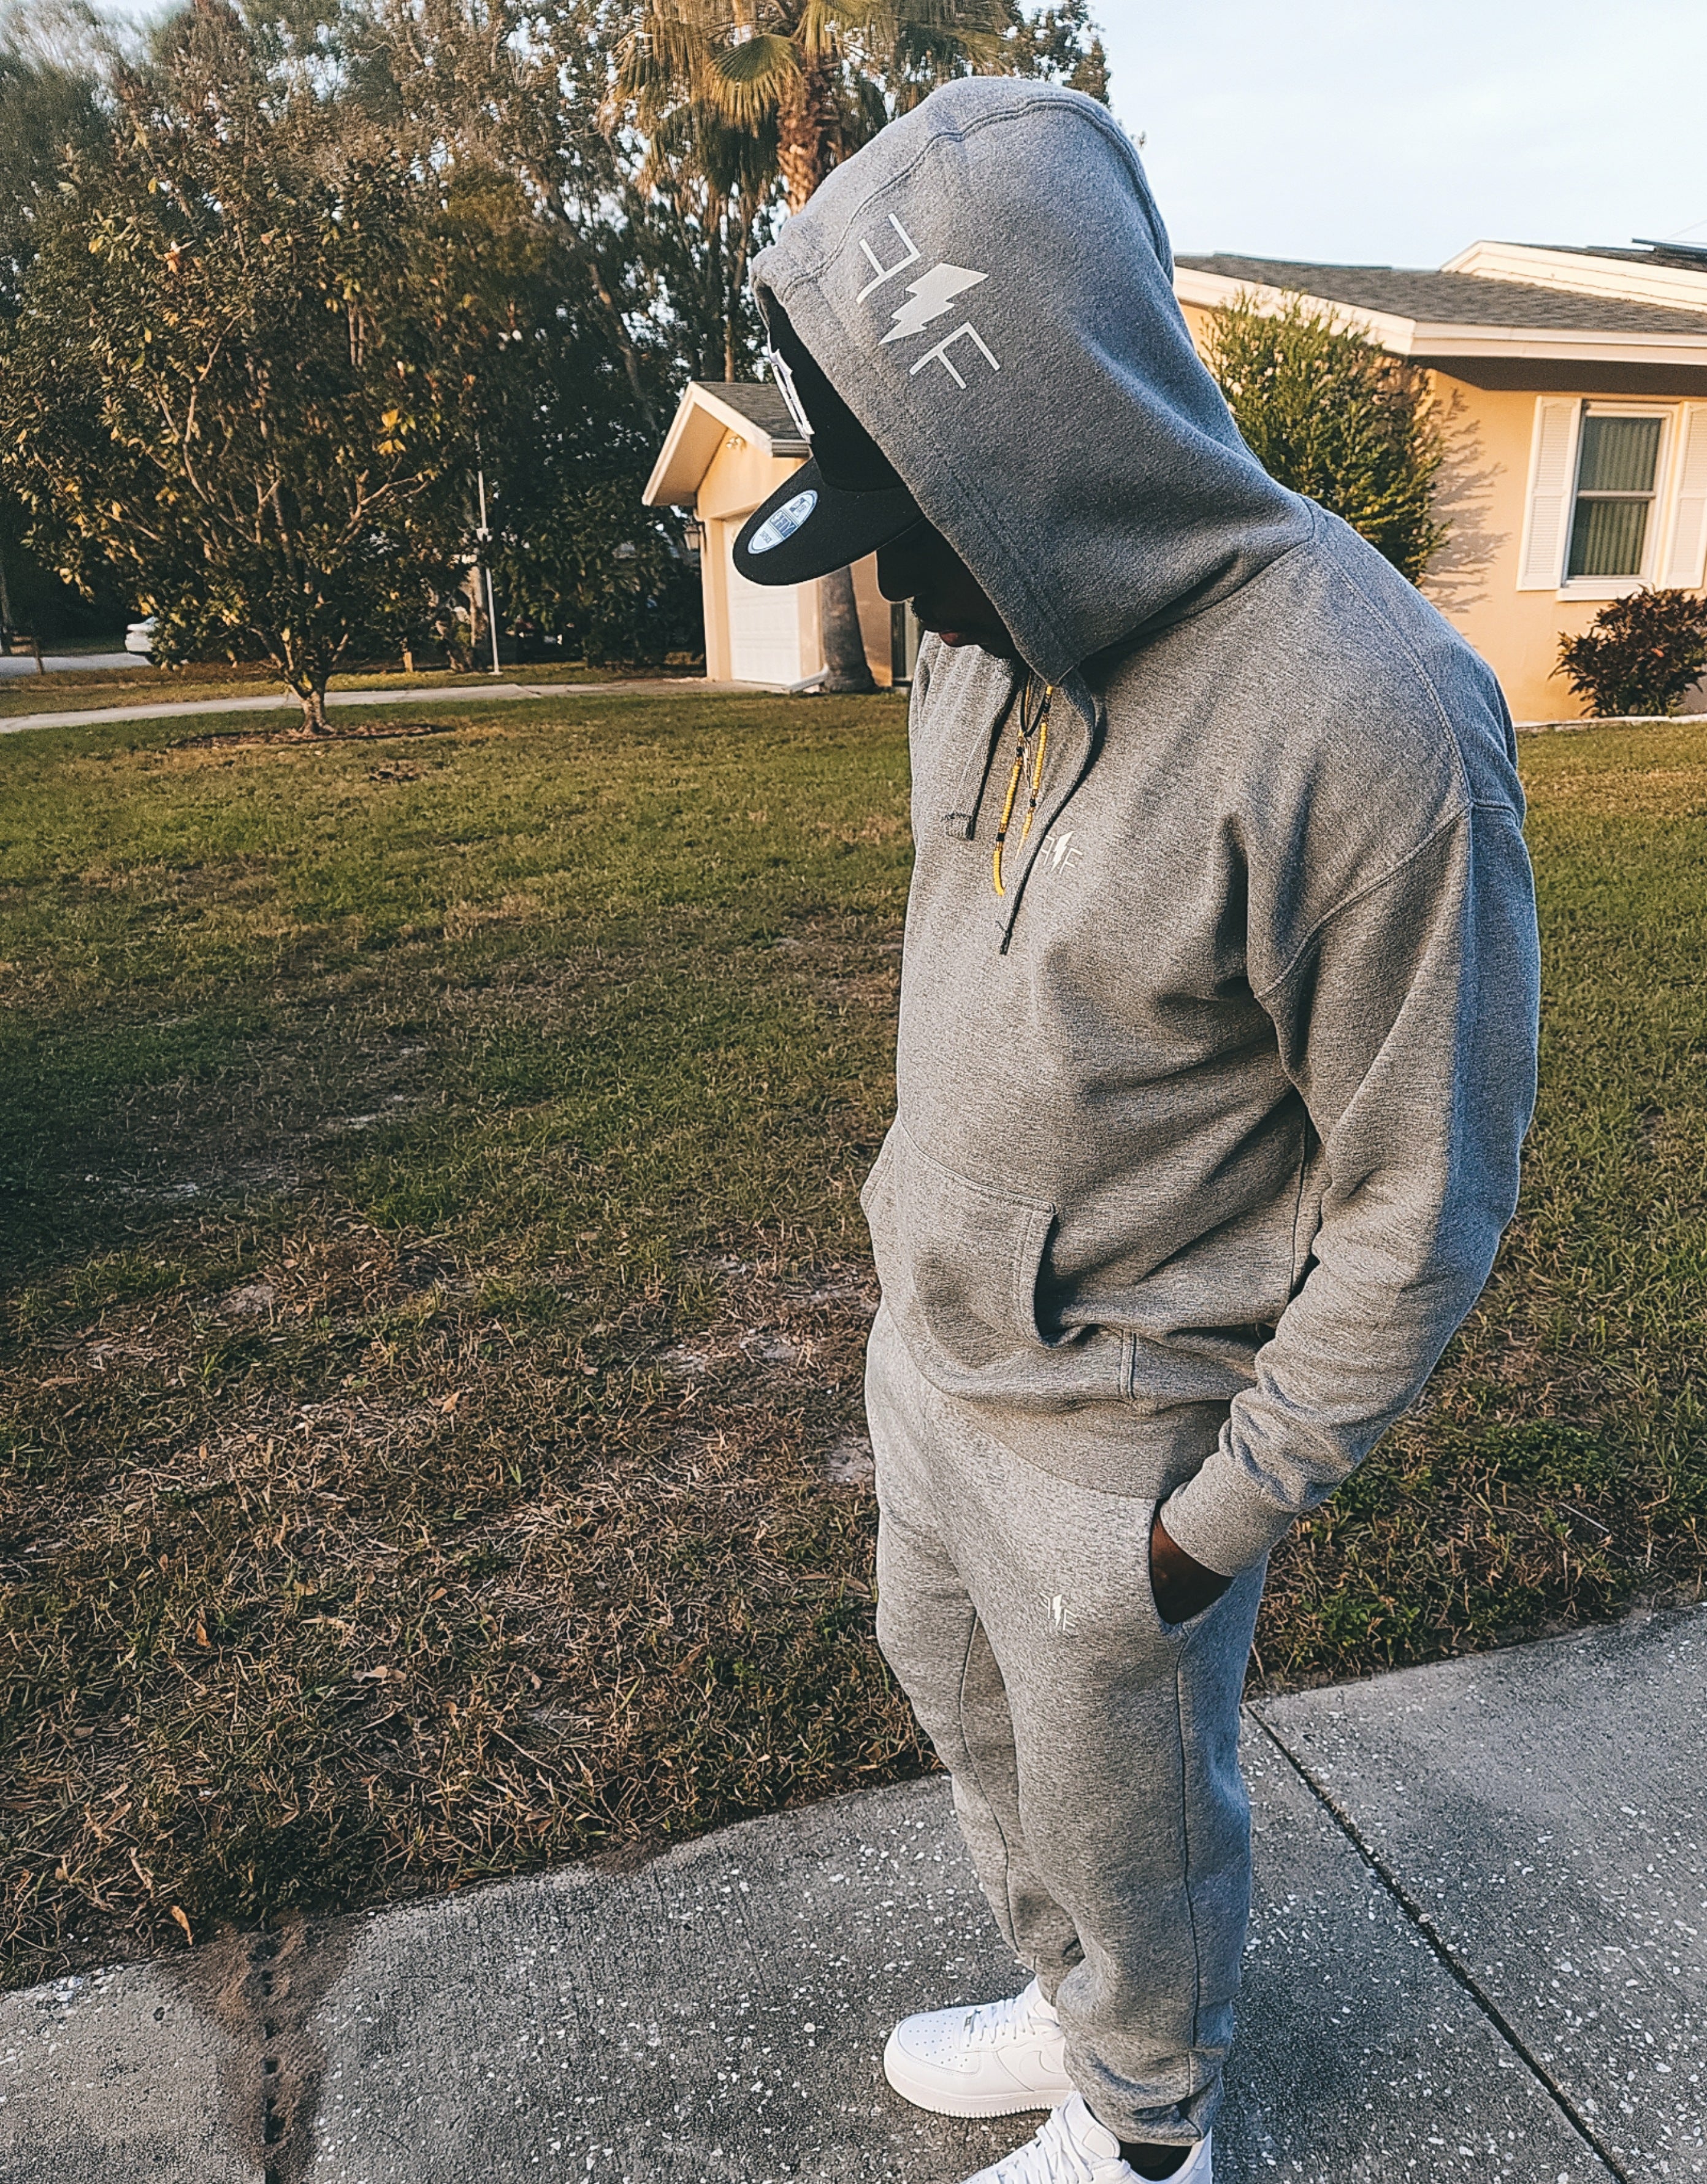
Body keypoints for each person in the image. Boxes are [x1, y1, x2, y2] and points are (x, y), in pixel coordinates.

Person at [733, 80, 1539, 2184]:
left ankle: (1157, 2128)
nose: (902, 590)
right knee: (965, 1709)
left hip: (1125, 1437)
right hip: (937, 1351)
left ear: (1047, 447)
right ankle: (1080, 2007)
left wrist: (1205, 1524)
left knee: (1128, 1808)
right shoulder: (985, 627)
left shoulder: (1375, 718)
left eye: (920, 522)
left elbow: (1424, 1198)